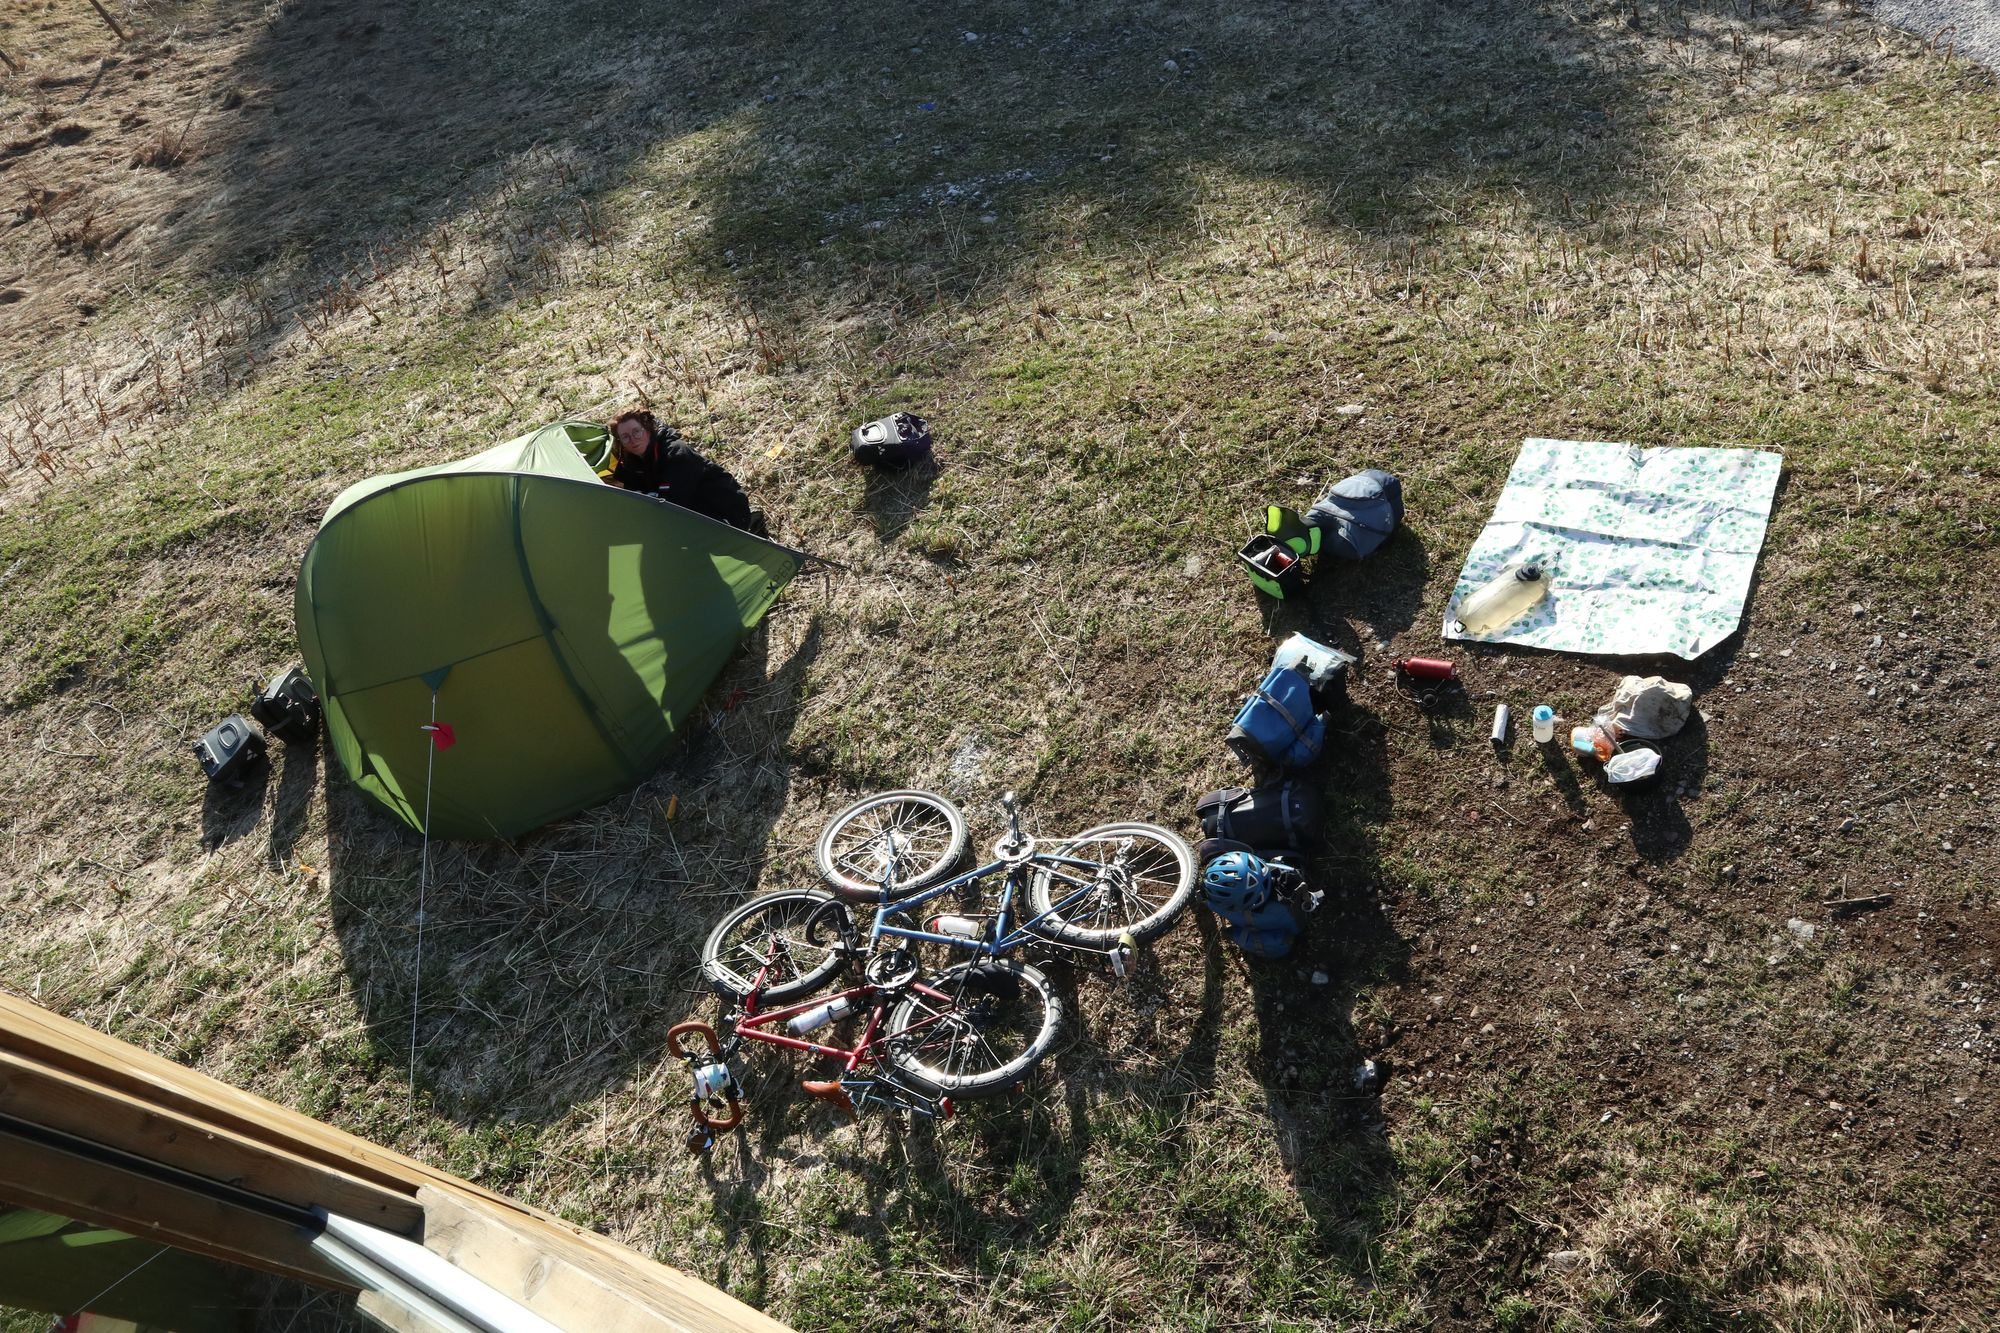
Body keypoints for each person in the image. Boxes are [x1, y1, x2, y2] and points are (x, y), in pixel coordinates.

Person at [606, 407, 766, 536]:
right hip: (688, 516)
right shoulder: (628, 463)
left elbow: (673, 503)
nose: (633, 440)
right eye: (625, 437)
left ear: (647, 429)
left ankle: (752, 524)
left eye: (636, 432)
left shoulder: (675, 453)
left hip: (724, 510)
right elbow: (631, 500)